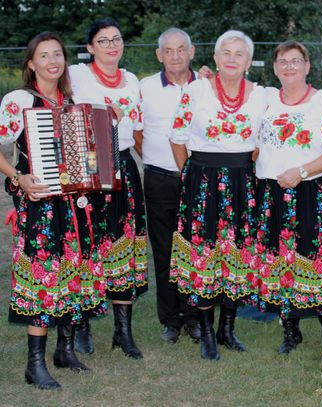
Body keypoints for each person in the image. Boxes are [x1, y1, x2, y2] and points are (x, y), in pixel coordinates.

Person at [0, 32, 107, 389]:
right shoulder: (19, 100)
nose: (52, 61)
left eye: (57, 54)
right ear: (31, 63)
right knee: (43, 278)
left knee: (72, 274)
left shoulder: (71, 101)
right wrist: (19, 175)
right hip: (40, 204)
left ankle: (64, 351)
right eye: (44, 56)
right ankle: (34, 365)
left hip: (74, 205)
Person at [168, 30, 267, 360]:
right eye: (226, 51)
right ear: (214, 57)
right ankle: (207, 333)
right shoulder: (196, 90)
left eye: (239, 53)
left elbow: (261, 144)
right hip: (202, 179)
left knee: (236, 254)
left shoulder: (262, 95)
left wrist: (242, 171)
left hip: (241, 181)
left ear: (249, 62)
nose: (231, 58)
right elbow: (177, 137)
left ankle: (227, 328)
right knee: (205, 256)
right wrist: (189, 178)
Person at [255, 41, 322, 363]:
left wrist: (302, 171)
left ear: (308, 66)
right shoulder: (266, 99)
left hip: (311, 190)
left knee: (319, 262)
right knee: (284, 262)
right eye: (283, 61)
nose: (289, 67)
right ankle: (290, 330)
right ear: (275, 67)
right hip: (273, 192)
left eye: (296, 61)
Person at [69, 18, 147, 359]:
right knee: (87, 243)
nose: (111, 45)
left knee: (123, 244)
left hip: (123, 163)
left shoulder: (131, 80)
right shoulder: (76, 75)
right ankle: (82, 325)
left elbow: (140, 126)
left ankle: (123, 332)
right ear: (90, 48)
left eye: (116, 39)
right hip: (85, 166)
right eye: (103, 41)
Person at [135, 27, 200, 344]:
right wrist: (156, 159)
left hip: (198, 180)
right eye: (168, 50)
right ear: (159, 55)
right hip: (160, 179)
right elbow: (137, 135)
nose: (175, 55)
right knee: (164, 251)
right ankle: (170, 320)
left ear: (192, 51)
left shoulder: (207, 86)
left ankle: (194, 316)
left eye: (181, 49)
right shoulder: (145, 87)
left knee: (195, 249)